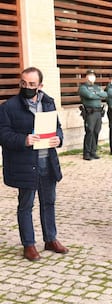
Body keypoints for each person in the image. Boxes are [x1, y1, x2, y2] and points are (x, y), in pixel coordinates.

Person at [0, 67, 68, 261]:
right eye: (23, 83)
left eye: (31, 84)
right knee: (26, 205)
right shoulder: (8, 107)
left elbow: (58, 128)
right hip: (25, 165)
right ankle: (29, 244)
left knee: (49, 202)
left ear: (40, 86)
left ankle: (50, 239)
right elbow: (3, 134)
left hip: (47, 162)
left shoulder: (48, 102)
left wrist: (59, 139)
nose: (27, 87)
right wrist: (24, 140)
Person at [78, 69, 107, 160]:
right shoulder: (83, 87)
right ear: (86, 77)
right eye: (90, 75)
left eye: (93, 75)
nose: (92, 77)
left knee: (96, 131)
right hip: (90, 113)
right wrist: (98, 94)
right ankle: (86, 153)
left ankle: (93, 151)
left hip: (98, 112)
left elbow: (105, 94)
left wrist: (95, 93)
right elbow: (89, 96)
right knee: (89, 131)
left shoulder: (97, 87)